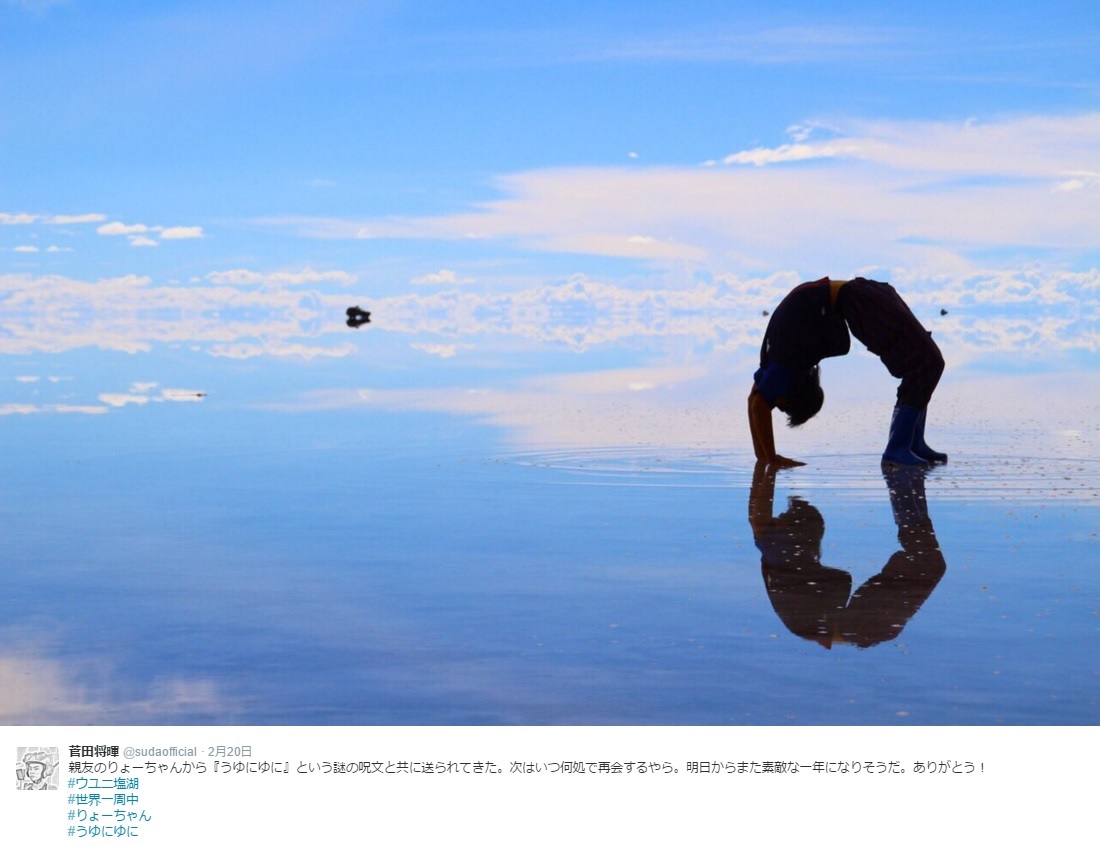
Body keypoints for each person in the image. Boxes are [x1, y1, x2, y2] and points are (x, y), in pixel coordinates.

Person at [748, 276, 946, 467]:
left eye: (781, 405)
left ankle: (905, 445)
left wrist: (770, 457)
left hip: (859, 300)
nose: (777, 406)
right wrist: (762, 456)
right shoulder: (774, 360)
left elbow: (757, 405)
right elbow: (754, 400)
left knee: (927, 363)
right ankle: (906, 445)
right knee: (926, 363)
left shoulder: (783, 365)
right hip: (861, 295)